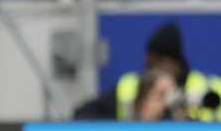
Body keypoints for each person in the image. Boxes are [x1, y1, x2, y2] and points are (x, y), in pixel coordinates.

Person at [73, 22, 221, 121]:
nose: (156, 67)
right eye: (160, 94)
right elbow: (84, 115)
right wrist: (143, 120)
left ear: (174, 61)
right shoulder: (130, 85)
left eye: (161, 61)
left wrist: (185, 119)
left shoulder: (207, 86)